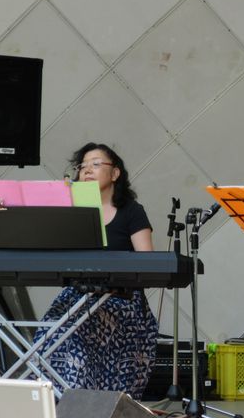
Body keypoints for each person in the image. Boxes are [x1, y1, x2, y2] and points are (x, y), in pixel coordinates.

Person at [33, 142, 158, 399]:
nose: (87, 170)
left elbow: (148, 263)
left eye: (96, 164)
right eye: (83, 166)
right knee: (51, 331)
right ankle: (58, 401)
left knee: (81, 325)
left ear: (115, 173)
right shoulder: (71, 211)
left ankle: (85, 402)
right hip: (78, 295)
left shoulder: (132, 212)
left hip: (121, 298)